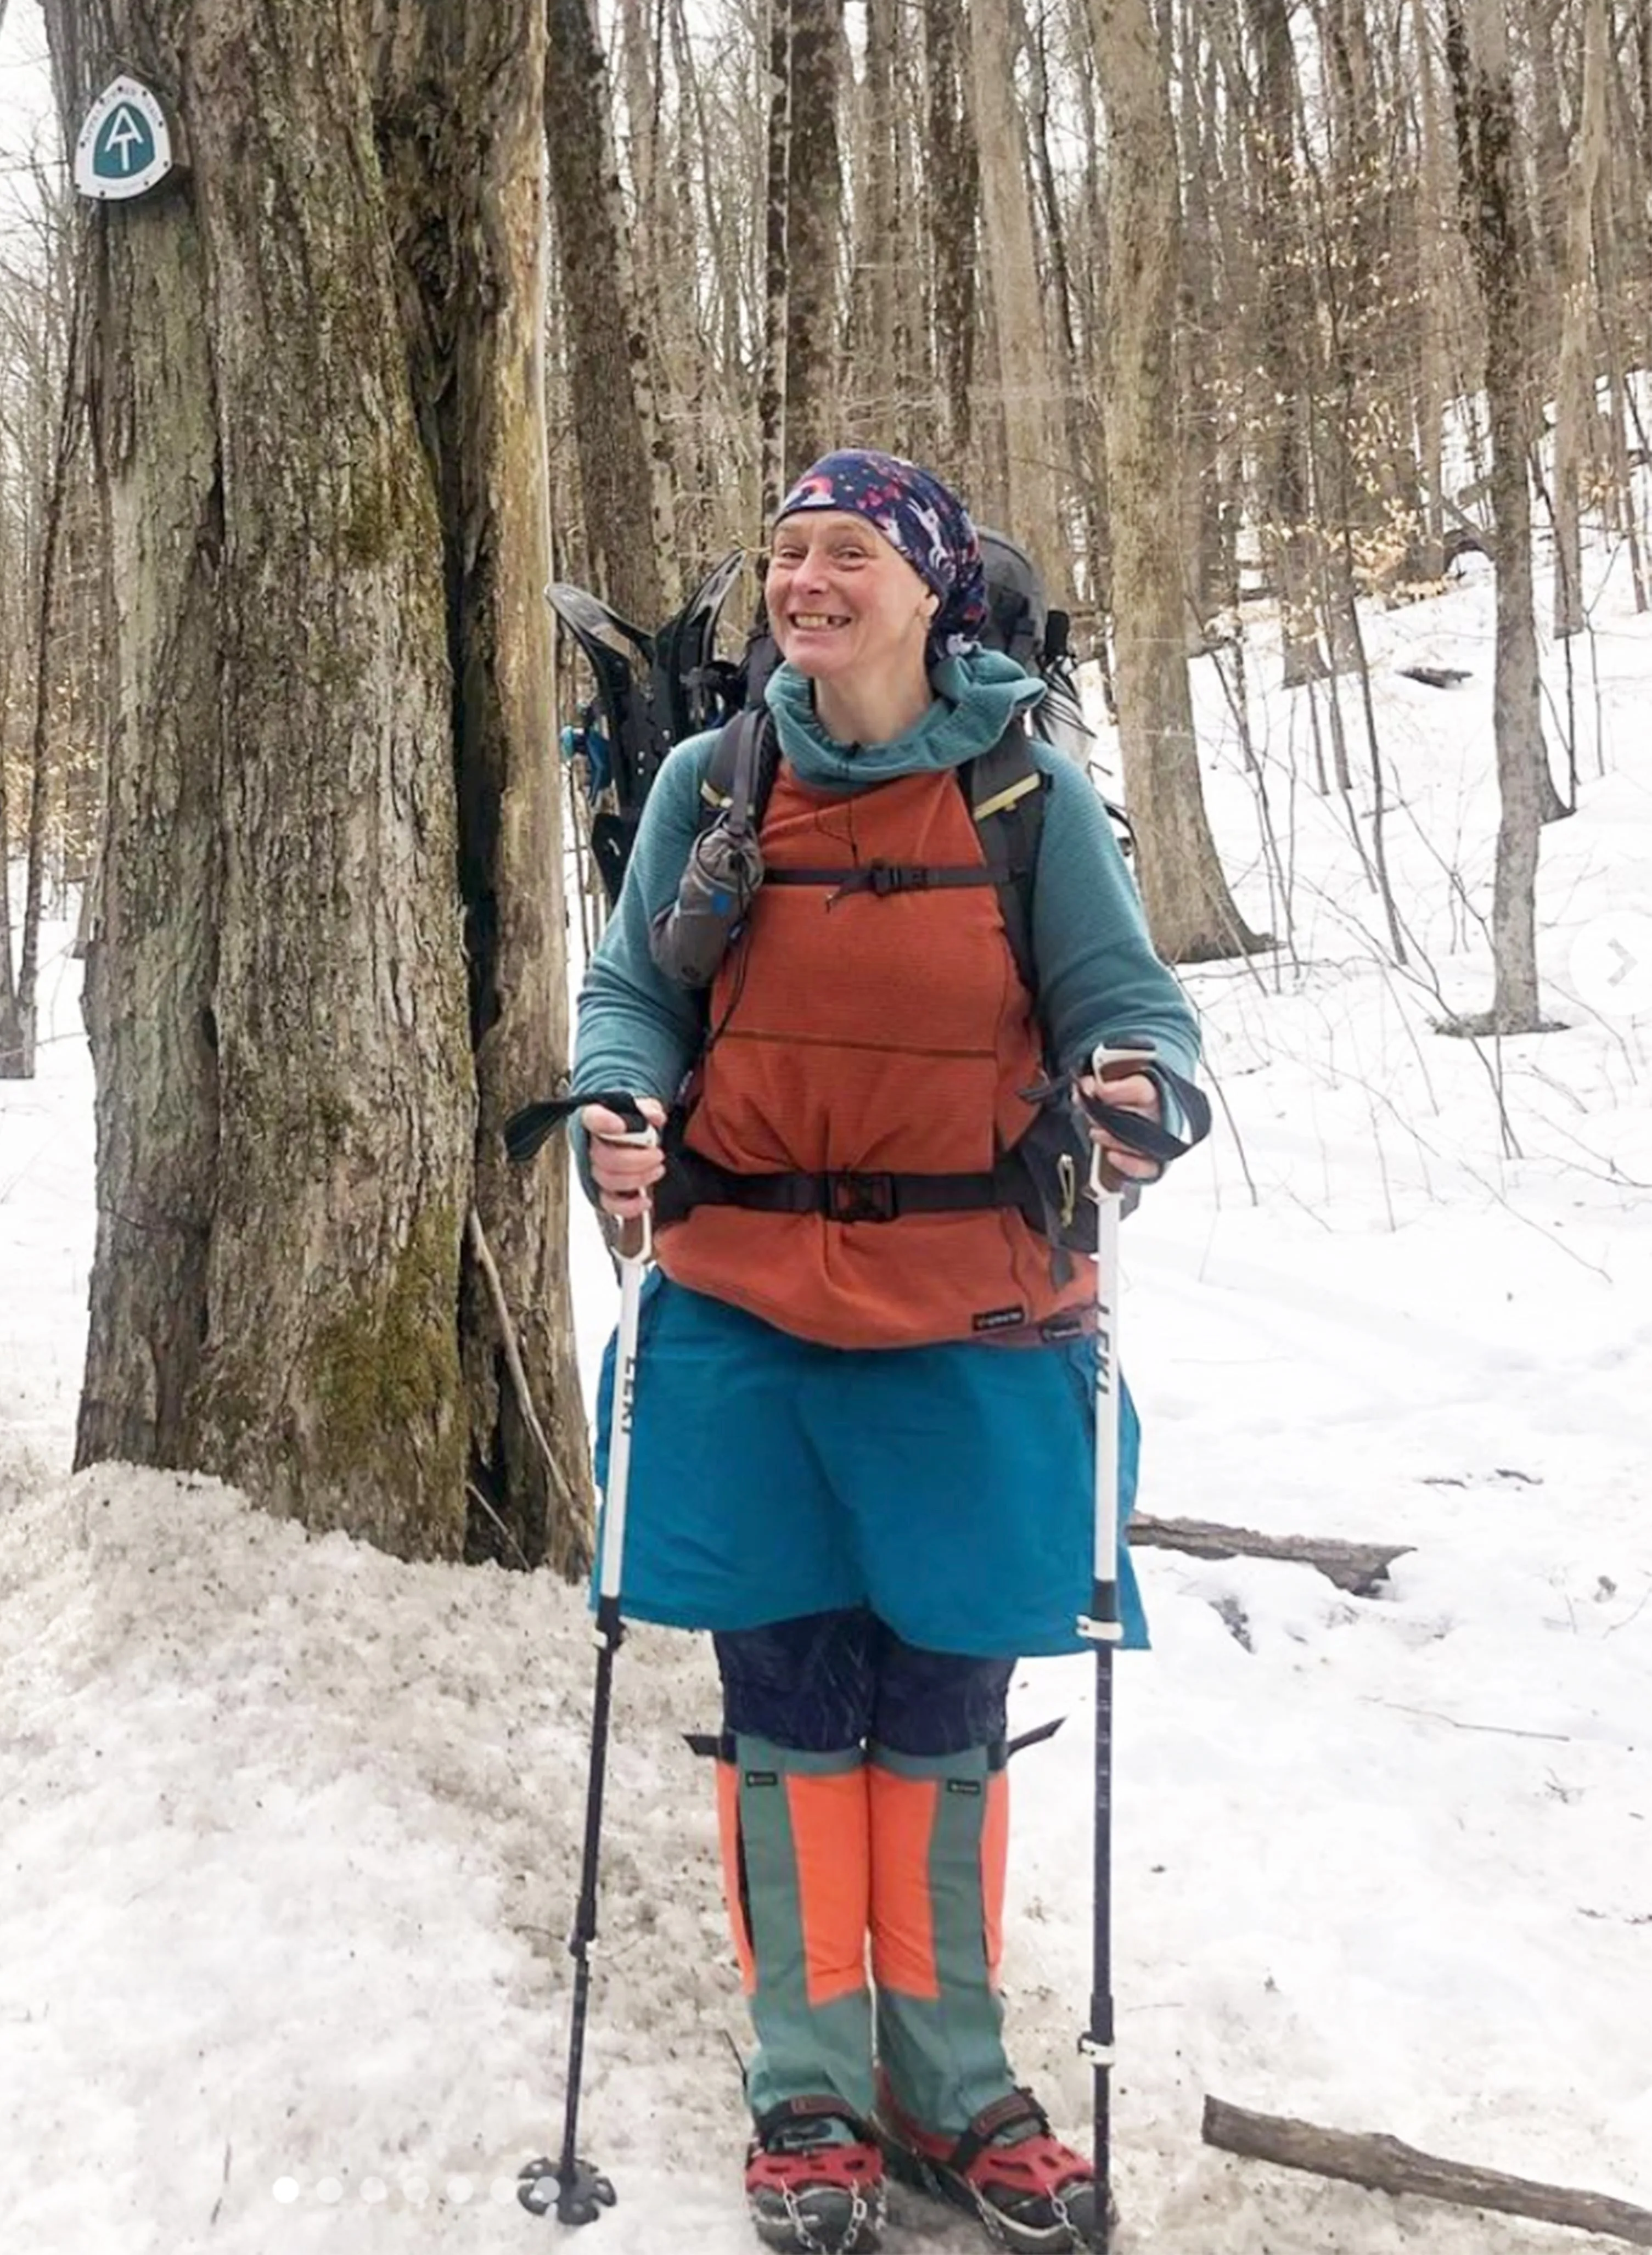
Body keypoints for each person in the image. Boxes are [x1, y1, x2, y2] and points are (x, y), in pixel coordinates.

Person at [569, 449, 1205, 2255]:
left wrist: (1146, 1097)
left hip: (979, 1321)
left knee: (940, 1706)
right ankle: (808, 2090)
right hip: (748, 1315)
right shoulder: (715, 778)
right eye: (787, 555)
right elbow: (635, 990)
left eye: (848, 553)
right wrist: (621, 1092)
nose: (806, 583)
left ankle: (952, 2079)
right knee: (789, 1704)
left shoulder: (1025, 795)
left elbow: (1128, 1004)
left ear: (931, 590)